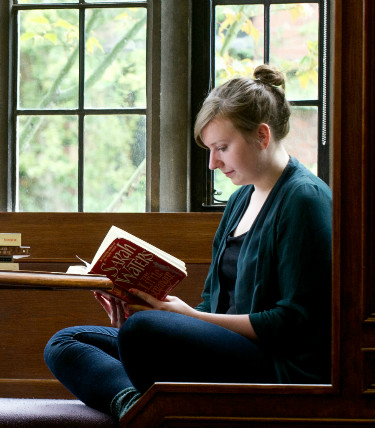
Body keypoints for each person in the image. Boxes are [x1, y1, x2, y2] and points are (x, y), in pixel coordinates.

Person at [43, 64, 332, 421]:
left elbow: (294, 325)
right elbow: (214, 299)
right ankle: (137, 408)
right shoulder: (242, 199)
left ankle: (149, 404)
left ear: (262, 135)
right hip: (228, 350)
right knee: (67, 343)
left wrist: (188, 318)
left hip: (275, 365)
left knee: (143, 332)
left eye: (222, 147)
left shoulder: (304, 199)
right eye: (210, 150)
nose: (213, 163)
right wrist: (152, 308)